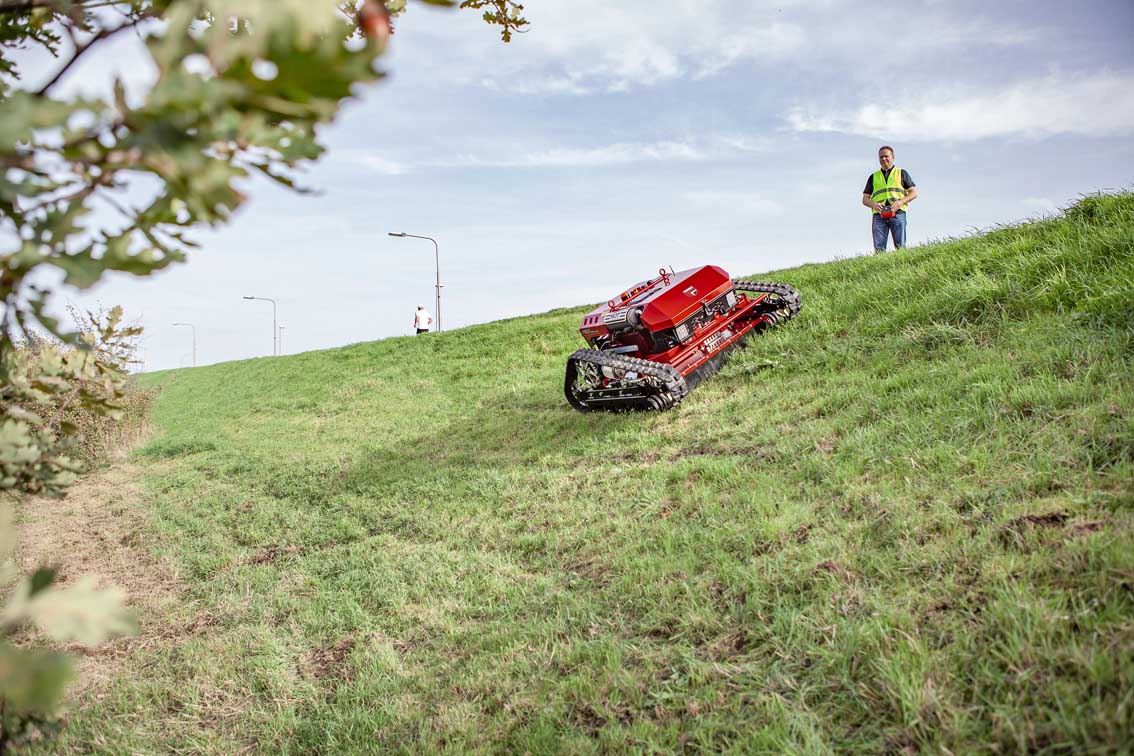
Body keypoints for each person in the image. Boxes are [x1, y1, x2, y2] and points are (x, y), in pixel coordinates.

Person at [862, 145, 918, 253]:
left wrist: (900, 202)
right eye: (881, 157)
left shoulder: (901, 173)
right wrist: (874, 205)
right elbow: (865, 199)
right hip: (879, 215)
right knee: (879, 249)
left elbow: (914, 193)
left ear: (893, 157)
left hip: (898, 212)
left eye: (886, 156)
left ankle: (902, 267)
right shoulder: (873, 177)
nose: (883, 159)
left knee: (900, 247)